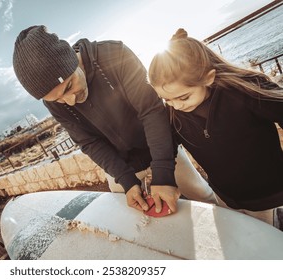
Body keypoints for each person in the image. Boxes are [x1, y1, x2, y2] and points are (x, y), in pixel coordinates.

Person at [12, 25, 216, 214]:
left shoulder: (114, 54)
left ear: (72, 60)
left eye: (69, 86)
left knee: (204, 197)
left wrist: (162, 172)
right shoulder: (55, 102)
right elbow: (90, 143)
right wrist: (126, 181)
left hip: (163, 149)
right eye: (58, 99)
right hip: (120, 167)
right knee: (133, 220)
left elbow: (151, 111)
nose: (71, 100)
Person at [148, 28, 283, 226]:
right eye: (166, 99)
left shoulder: (244, 89)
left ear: (208, 78)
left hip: (273, 198)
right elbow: (165, 149)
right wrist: (162, 178)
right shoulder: (172, 114)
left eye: (183, 97)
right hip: (226, 200)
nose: (176, 105)